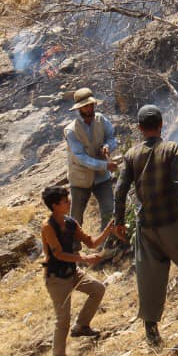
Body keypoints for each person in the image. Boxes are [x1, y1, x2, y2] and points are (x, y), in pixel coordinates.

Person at [113, 104, 178, 348]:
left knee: (149, 279)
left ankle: (152, 332)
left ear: (139, 128)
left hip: (146, 227)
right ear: (161, 125)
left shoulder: (131, 155)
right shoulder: (171, 149)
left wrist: (118, 221)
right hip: (173, 222)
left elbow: (119, 190)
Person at [40, 185, 118, 356]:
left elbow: (90, 242)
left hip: (72, 272)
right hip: (57, 277)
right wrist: (84, 258)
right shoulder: (48, 227)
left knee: (98, 289)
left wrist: (108, 230)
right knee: (63, 319)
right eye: (65, 202)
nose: (69, 203)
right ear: (54, 205)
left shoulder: (70, 222)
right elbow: (58, 254)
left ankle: (82, 326)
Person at [65, 87, 120, 255]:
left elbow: (112, 138)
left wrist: (107, 146)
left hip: (101, 177)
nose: (89, 109)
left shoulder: (101, 120)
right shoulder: (71, 130)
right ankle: (73, 249)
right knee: (76, 216)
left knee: (109, 209)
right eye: (85, 107)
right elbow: (81, 157)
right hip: (80, 179)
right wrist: (104, 165)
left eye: (90, 106)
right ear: (79, 109)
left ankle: (107, 245)